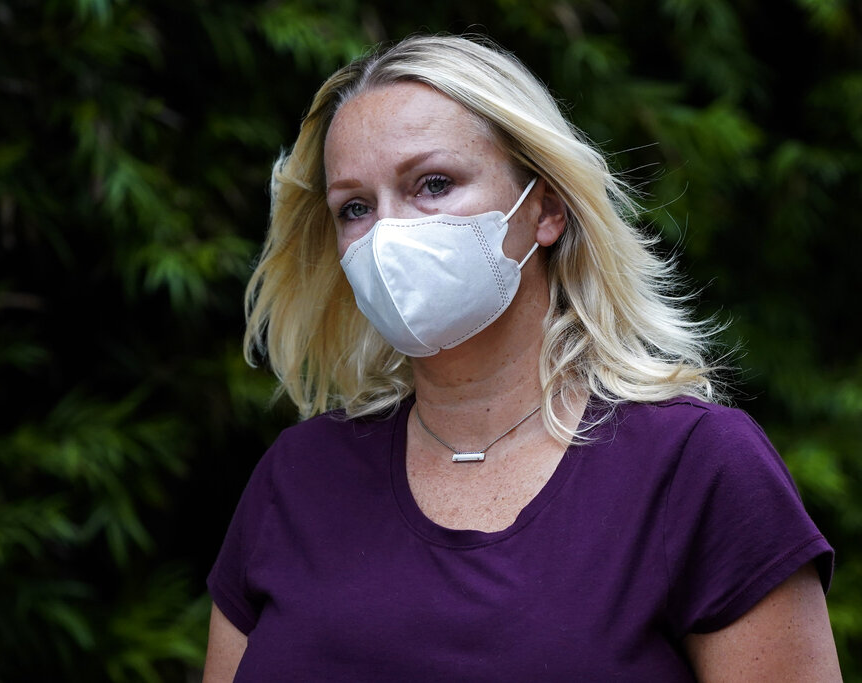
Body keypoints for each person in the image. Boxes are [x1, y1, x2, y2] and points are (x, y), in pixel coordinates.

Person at [203, 34, 840, 681]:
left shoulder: (695, 468)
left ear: (546, 208)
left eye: (432, 183)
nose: (387, 234)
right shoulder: (297, 478)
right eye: (356, 207)